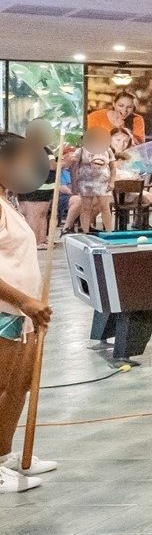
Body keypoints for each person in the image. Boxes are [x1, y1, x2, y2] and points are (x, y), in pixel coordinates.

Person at [0, 132, 55, 492]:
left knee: (19, 386)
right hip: (6, 311)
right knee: (1, 388)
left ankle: (4, 456)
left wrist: (30, 304)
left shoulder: (8, 201)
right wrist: (24, 300)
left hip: (22, 314)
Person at [65, 127, 114, 234]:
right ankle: (85, 231)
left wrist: (112, 181)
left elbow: (112, 167)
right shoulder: (81, 151)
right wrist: (74, 185)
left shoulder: (107, 150)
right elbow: (74, 168)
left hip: (103, 182)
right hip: (85, 182)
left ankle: (109, 231)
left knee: (104, 207)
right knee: (86, 208)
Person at [16, 121, 57, 244]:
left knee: (38, 214)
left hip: (42, 186)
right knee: (36, 215)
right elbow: (51, 165)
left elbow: (52, 166)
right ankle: (37, 241)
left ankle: (39, 240)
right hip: (36, 186)